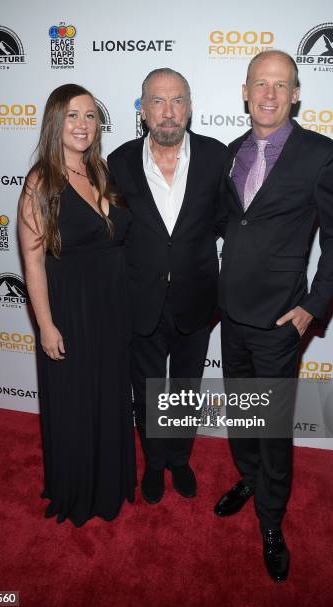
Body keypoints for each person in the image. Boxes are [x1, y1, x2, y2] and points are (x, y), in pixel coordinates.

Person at [214, 51, 333, 581]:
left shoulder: (321, 153)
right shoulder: (229, 154)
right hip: (231, 316)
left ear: (295, 94)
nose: (269, 94)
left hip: (279, 322)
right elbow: (230, 224)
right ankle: (248, 480)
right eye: (260, 84)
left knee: (271, 429)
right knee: (243, 414)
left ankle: (271, 522)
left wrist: (311, 309)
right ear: (245, 92)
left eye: (281, 85)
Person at [18, 84, 136, 527]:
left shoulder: (101, 170)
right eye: (72, 116)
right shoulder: (41, 181)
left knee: (109, 396)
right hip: (70, 309)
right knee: (76, 401)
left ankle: (110, 479)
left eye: (90, 115)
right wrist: (45, 325)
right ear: (55, 122)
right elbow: (31, 258)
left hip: (111, 307)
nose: (83, 124)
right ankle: (79, 490)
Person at [107, 68, 227, 504]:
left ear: (190, 107)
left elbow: (228, 221)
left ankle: (179, 458)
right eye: (158, 101)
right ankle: (154, 463)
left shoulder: (217, 157)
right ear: (142, 110)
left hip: (197, 299)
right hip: (142, 301)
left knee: (185, 387)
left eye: (178, 100)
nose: (169, 111)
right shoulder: (118, 162)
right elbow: (111, 232)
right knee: (149, 389)